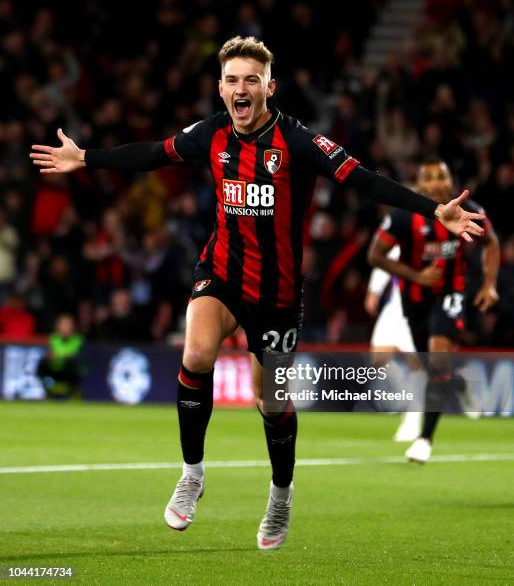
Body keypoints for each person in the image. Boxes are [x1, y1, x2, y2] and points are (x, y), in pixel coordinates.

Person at [30, 37, 485, 549]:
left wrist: (432, 210)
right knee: (197, 353)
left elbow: (365, 181)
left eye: (251, 80)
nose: (240, 89)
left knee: (271, 403)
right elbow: (154, 155)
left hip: (276, 293)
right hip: (221, 272)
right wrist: (86, 157)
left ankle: (281, 495)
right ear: (220, 88)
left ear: (269, 87)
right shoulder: (212, 133)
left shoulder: (299, 143)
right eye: (231, 80)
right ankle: (193, 474)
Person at [368, 159, 500, 463]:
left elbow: (491, 243)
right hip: (414, 299)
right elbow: (375, 255)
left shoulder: (469, 208)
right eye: (429, 178)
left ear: (451, 180)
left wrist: (489, 284)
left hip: (451, 293)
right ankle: (461, 384)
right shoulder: (404, 215)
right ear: (419, 185)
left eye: (442, 176)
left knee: (438, 355)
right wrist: (414, 276)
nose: (437, 183)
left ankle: (424, 440)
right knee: (434, 368)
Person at [364, 246, 425, 442]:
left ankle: (413, 419)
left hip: (420, 308)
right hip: (396, 306)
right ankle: (408, 400)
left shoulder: (438, 238)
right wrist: (374, 291)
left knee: (417, 362)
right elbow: (384, 259)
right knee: (378, 359)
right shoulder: (402, 232)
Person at [37, 313, 85, 398]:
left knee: (72, 363)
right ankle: (47, 389)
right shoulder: (52, 338)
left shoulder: (78, 339)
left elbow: (80, 356)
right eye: (63, 324)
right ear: (58, 326)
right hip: (54, 368)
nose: (66, 326)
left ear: (73, 326)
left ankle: (73, 391)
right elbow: (48, 353)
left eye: (68, 324)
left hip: (69, 371)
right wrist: (50, 356)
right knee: (42, 363)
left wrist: (64, 357)